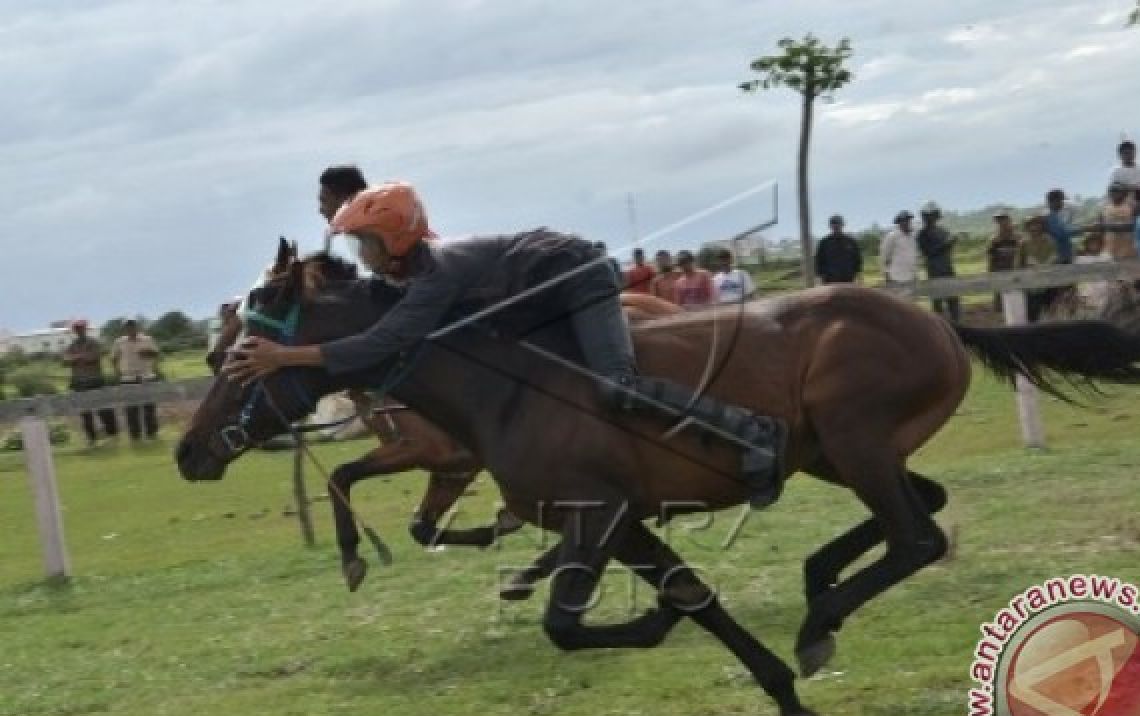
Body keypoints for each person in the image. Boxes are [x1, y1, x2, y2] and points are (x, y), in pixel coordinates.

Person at [227, 182, 790, 508]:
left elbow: (385, 340)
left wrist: (286, 358)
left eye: (366, 243)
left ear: (395, 235)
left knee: (616, 387)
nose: (362, 256)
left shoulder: (436, 271)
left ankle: (751, 434)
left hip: (582, 277)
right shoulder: (411, 271)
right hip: (540, 292)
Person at [63, 320, 117, 446]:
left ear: (85, 329)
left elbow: (93, 357)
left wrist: (76, 358)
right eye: (76, 329)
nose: (79, 330)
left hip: (95, 380)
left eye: (81, 328)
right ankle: (91, 439)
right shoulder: (72, 345)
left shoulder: (93, 342)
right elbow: (64, 360)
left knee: (104, 409)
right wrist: (79, 357)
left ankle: (112, 436)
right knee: (85, 412)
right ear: (74, 331)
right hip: (79, 382)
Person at [111, 319, 161, 441]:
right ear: (125, 329)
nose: (130, 329)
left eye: (132, 326)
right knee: (131, 409)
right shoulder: (119, 342)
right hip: (128, 378)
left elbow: (156, 354)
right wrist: (117, 374)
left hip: (146, 377)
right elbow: (113, 358)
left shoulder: (147, 339)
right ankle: (135, 436)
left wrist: (148, 352)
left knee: (149, 407)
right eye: (128, 327)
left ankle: (152, 434)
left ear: (136, 327)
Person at [916, 202, 959, 322]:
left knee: (953, 298)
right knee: (937, 299)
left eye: (934, 215)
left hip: (947, 267)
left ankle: (956, 323)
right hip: (934, 269)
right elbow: (928, 252)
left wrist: (951, 243)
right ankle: (939, 325)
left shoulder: (943, 231)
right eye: (929, 215)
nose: (931, 218)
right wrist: (947, 244)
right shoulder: (922, 234)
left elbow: (947, 250)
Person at [1023, 216, 1060, 321]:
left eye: (1037, 224)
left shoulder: (1050, 240)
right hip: (1032, 283)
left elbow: (1055, 257)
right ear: (1027, 227)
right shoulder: (1024, 243)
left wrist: (1046, 264)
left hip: (1049, 280)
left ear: (1042, 226)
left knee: (1051, 309)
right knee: (1033, 312)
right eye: (1032, 224)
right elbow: (1018, 264)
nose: (1034, 227)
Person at [986, 210, 1024, 312]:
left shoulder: (1019, 237)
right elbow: (990, 258)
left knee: (1019, 299)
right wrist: (990, 273)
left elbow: (1023, 255)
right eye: (999, 220)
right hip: (1000, 272)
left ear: (1009, 220)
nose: (1002, 223)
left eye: (1004, 219)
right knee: (1001, 302)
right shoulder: (994, 240)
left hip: (1016, 272)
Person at [814, 215, 863, 284]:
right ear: (830, 226)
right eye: (833, 224)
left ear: (842, 225)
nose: (836, 226)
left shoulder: (851, 241)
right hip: (830, 281)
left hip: (849, 279)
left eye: (838, 223)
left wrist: (859, 276)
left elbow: (858, 259)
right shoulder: (824, 242)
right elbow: (819, 261)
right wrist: (819, 278)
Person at [1075, 231, 1115, 310]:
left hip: (1105, 289)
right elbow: (1079, 280)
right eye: (1091, 243)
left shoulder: (1106, 256)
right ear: (1086, 244)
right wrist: (1083, 294)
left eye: (1096, 242)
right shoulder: (1081, 259)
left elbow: (1112, 272)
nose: (1094, 245)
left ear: (1100, 243)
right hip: (1089, 289)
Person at [1097, 183, 1137, 261]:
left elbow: (1131, 226)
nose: (1114, 194)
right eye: (1112, 191)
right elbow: (1100, 226)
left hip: (1128, 250)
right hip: (1109, 249)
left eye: (1117, 191)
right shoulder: (1104, 208)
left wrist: (1107, 226)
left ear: (1124, 194)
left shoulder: (1131, 206)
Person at [880, 211, 918, 288]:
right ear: (899, 223)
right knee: (895, 299)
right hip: (895, 276)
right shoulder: (892, 236)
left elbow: (914, 255)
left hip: (910, 276)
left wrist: (915, 274)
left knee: (910, 299)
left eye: (908, 220)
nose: (907, 223)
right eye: (904, 221)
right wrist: (886, 274)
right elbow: (884, 256)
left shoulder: (913, 236)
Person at [1044, 189, 1079, 265]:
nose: (1062, 204)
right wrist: (1082, 229)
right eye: (1060, 201)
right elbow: (1061, 234)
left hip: (1067, 253)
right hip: (1056, 255)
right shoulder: (1049, 218)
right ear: (1052, 202)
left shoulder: (1061, 216)